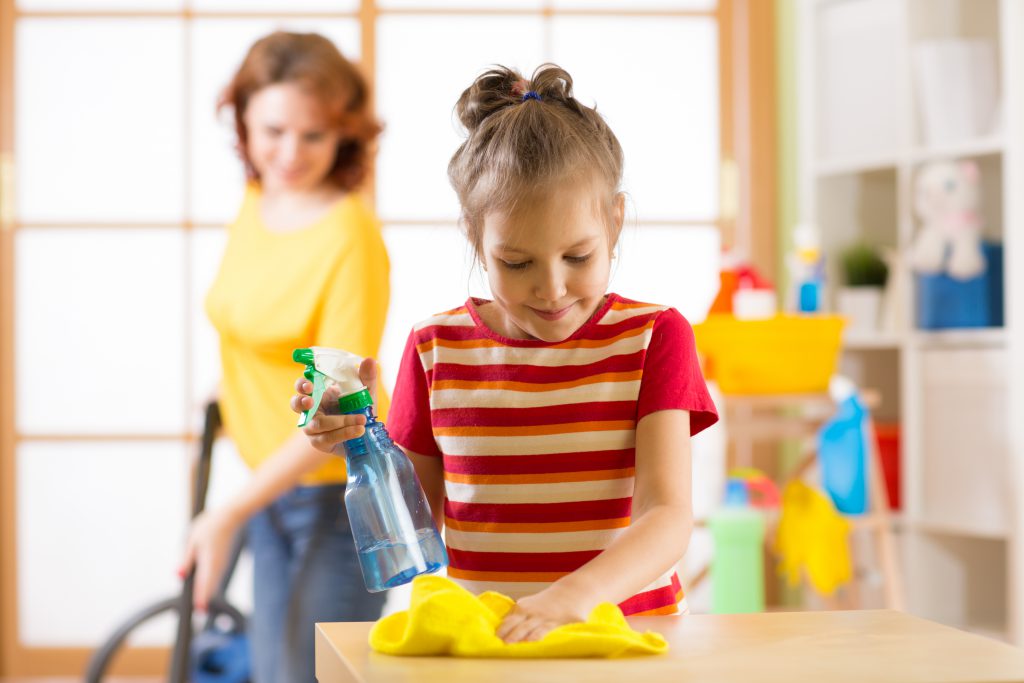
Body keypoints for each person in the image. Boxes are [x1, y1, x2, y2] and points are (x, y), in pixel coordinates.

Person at [291, 64, 718, 644]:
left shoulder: (653, 337)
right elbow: (414, 526)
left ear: (615, 223)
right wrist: (358, 439)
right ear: (475, 237)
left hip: (627, 635)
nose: (551, 288)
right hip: (488, 641)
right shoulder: (434, 350)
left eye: (578, 257)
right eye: (517, 263)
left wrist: (572, 598)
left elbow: (667, 517)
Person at [181, 31, 389, 682]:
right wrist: (230, 389)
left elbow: (335, 415)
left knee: (303, 674)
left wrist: (228, 512)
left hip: (334, 501)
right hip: (267, 485)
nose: (290, 154)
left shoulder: (351, 238)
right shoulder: (258, 200)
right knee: (271, 669)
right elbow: (251, 321)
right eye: (273, 130)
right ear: (241, 117)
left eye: (315, 136)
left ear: (345, 135)